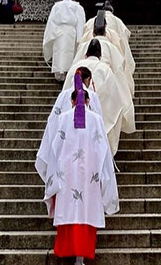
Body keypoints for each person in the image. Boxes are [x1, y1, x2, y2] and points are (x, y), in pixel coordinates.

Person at [36, 75, 119, 264]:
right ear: (88, 100)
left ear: (72, 100)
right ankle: (81, 258)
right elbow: (103, 149)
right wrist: (105, 176)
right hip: (90, 176)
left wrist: (53, 174)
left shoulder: (63, 119)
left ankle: (70, 254)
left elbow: (54, 148)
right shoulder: (97, 120)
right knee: (86, 211)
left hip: (67, 176)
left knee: (69, 210)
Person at [66, 39, 135, 154]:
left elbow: (66, 94)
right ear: (101, 55)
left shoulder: (75, 68)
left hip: (75, 116)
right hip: (98, 116)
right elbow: (114, 98)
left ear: (85, 54)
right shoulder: (105, 69)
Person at [74, 12, 134, 96]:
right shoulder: (112, 48)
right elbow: (119, 70)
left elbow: (74, 68)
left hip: (84, 86)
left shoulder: (84, 46)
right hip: (106, 85)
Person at [43, 0, 86, 82]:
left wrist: (50, 35)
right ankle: (69, 74)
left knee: (59, 52)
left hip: (58, 31)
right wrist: (80, 37)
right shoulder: (77, 7)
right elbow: (80, 22)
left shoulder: (56, 7)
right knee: (70, 53)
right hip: (71, 32)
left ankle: (59, 74)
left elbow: (51, 22)